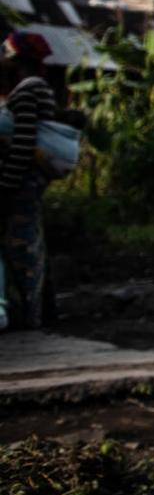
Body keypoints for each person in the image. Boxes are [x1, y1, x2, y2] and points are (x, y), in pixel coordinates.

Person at [0, 30, 57, 332]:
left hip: (22, 184)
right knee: (28, 248)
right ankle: (34, 311)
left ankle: (30, 316)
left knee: (24, 251)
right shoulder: (32, 88)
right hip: (25, 182)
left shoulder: (28, 90)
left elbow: (23, 145)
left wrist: (7, 186)